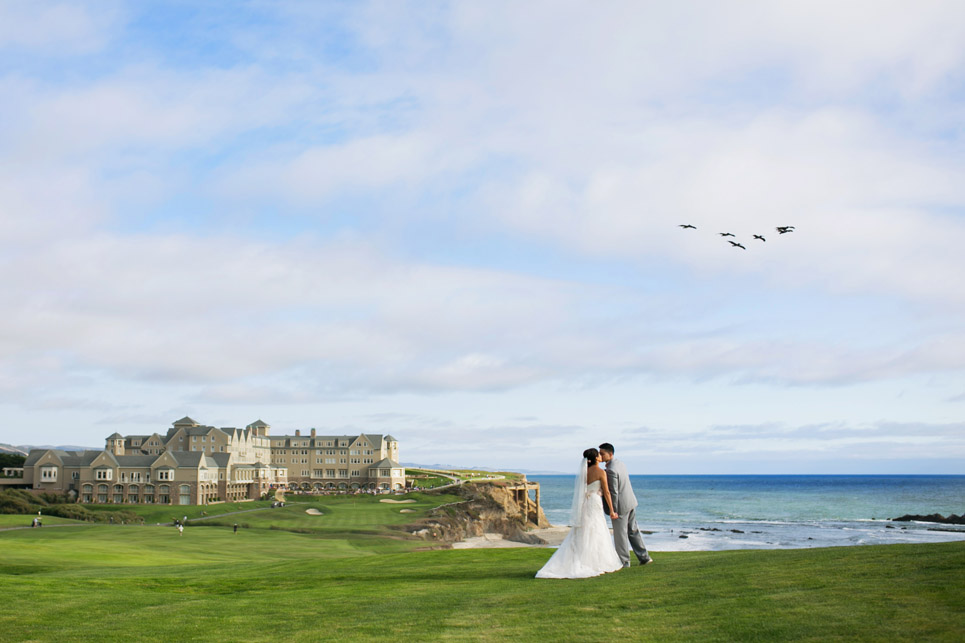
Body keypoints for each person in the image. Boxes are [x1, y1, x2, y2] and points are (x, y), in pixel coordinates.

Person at [536, 448, 624, 579]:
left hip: (585, 503)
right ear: (595, 458)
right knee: (596, 529)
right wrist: (612, 510)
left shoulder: (584, 472)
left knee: (585, 530)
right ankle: (595, 562)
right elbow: (606, 492)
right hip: (594, 502)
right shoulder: (601, 472)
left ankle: (582, 558)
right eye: (598, 455)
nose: (600, 456)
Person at [598, 443, 652, 567]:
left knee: (620, 534)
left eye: (602, 453)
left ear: (610, 454)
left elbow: (614, 491)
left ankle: (624, 561)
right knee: (633, 531)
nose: (600, 456)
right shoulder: (620, 464)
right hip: (630, 501)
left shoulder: (611, 469)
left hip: (621, 505)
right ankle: (644, 557)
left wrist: (614, 510)